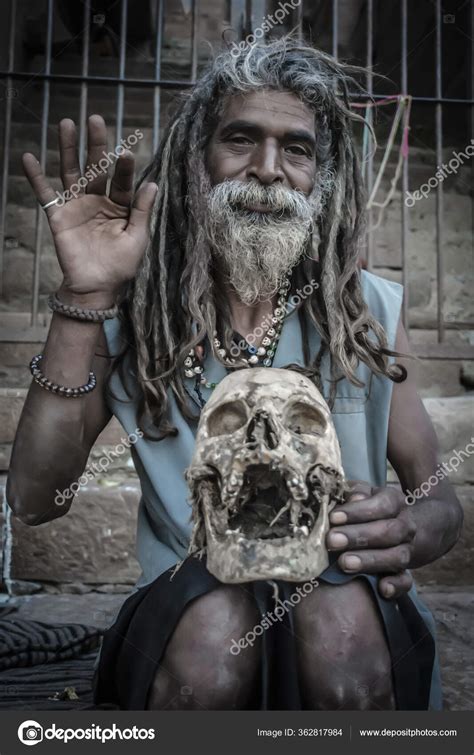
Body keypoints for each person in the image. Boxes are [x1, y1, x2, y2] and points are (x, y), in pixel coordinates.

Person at [7, 37, 463, 711]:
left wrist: (405, 529)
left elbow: (441, 505)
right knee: (216, 631)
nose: (268, 170)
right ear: (198, 162)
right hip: (189, 610)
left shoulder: (363, 311)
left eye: (297, 149)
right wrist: (84, 300)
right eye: (240, 140)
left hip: (349, 601)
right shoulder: (136, 312)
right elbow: (35, 500)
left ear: (321, 178)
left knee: (337, 626)